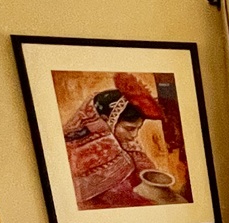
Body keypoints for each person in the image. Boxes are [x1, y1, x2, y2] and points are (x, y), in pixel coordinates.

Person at [62, 73, 171, 209]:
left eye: (138, 129)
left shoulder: (128, 146)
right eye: (129, 129)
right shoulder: (76, 154)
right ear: (106, 121)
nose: (134, 136)